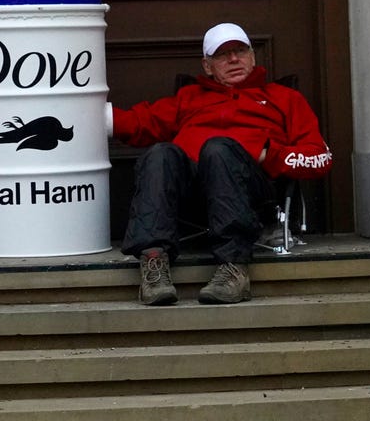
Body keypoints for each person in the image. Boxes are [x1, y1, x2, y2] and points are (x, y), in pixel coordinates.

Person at [111, 22, 332, 306]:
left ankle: (234, 268)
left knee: (218, 148)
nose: (233, 59)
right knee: (160, 153)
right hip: (191, 194)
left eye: (240, 51)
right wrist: (83, 112)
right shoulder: (189, 98)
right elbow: (139, 123)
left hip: (251, 190)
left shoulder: (285, 98)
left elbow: (320, 158)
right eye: (222, 55)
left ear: (252, 56)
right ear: (207, 65)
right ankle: (154, 264)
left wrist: (270, 154)